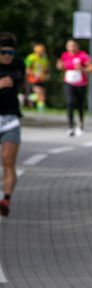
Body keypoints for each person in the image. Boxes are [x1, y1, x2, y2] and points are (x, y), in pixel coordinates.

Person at [0, 33, 24, 217]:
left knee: (8, 160)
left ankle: (6, 199)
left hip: (10, 120)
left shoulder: (18, 65)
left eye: (11, 52)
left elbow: (17, 84)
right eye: (4, 52)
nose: (8, 56)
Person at [56, 39, 92, 137]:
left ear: (77, 46)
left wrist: (83, 69)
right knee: (70, 103)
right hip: (68, 82)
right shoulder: (65, 55)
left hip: (81, 83)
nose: (71, 47)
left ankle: (80, 125)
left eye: (73, 45)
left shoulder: (82, 55)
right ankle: (70, 127)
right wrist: (60, 66)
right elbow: (62, 67)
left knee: (80, 105)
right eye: (69, 45)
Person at [24, 43, 49, 111]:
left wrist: (46, 75)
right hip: (32, 79)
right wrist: (34, 75)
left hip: (41, 79)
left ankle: (40, 109)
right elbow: (26, 69)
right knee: (39, 93)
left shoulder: (44, 58)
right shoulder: (31, 57)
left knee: (42, 94)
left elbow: (46, 69)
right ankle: (40, 109)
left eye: (43, 50)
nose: (42, 52)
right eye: (41, 50)